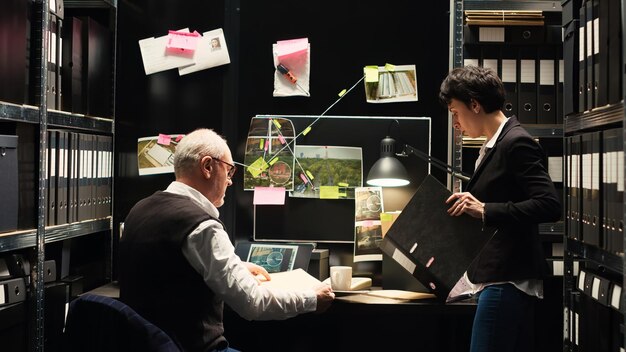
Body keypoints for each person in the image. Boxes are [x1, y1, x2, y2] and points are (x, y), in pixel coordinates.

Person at [119, 128, 335, 352]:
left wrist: (237, 268)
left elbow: (167, 269)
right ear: (208, 167)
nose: (230, 182)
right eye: (229, 170)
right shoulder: (201, 226)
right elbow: (253, 303)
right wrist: (312, 300)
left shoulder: (140, 209)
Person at [438, 66, 561, 352]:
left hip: (508, 279)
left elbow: (549, 204)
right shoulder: (494, 144)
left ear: (475, 105)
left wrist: (484, 210)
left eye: (455, 113)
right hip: (495, 278)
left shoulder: (516, 142)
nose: (455, 123)